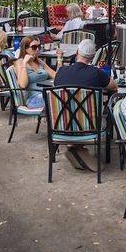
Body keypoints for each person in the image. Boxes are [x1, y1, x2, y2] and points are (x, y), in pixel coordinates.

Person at [51, 39, 116, 171]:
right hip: (89, 126)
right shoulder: (96, 73)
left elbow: (54, 85)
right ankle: (78, 149)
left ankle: (76, 148)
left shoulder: (61, 72)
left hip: (62, 124)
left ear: (76, 52)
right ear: (92, 57)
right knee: (107, 112)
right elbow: (114, 86)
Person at [12, 35, 55, 110]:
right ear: (25, 49)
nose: (37, 49)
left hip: (45, 93)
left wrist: (59, 60)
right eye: (34, 47)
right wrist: (24, 63)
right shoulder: (20, 62)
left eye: (39, 46)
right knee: (58, 99)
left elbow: (55, 76)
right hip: (33, 98)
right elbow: (22, 84)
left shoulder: (39, 61)